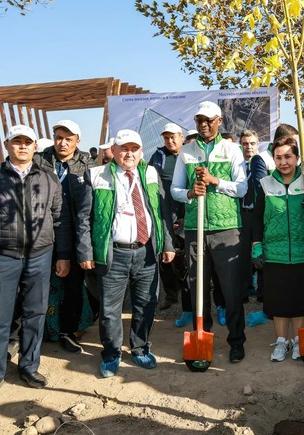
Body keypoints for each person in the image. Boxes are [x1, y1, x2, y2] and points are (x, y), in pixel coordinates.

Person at [0, 125, 71, 406]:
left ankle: (29, 366)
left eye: (27, 142)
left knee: (35, 313)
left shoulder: (48, 178)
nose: (22, 147)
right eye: (16, 142)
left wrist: (63, 255)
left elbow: (59, 220)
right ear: (7, 145)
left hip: (40, 255)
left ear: (34, 146)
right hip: (1, 256)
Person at [77, 129, 175, 377]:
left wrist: (168, 244)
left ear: (141, 152)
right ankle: (111, 353)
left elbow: (162, 212)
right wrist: (86, 251)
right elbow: (84, 219)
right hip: (114, 253)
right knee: (110, 309)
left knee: (146, 304)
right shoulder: (97, 175)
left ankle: (140, 348)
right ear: (115, 150)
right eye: (124, 148)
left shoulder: (151, 173)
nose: (129, 153)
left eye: (134, 149)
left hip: (147, 252)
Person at [170, 101, 248, 364]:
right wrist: (191, 193)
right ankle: (202, 334)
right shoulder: (187, 152)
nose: (203, 124)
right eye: (198, 120)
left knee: (231, 289)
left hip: (227, 229)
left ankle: (236, 341)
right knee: (197, 286)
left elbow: (242, 188)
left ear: (219, 121)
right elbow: (175, 190)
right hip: (195, 228)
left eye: (208, 120)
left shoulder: (232, 149)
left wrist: (216, 181)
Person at [253, 136, 304, 363]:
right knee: (280, 303)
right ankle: (282, 341)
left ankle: (300, 340)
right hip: (275, 253)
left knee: (300, 302)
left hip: (303, 253)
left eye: (288, 157)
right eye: (278, 157)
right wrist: (256, 246)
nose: (283, 162)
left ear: (297, 158)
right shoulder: (265, 184)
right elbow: (256, 219)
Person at [33, 119, 97, 353]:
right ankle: (35, 332)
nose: (63, 142)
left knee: (73, 285)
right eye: (59, 137)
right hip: (42, 234)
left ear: (77, 141)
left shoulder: (88, 164)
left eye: (68, 139)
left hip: (75, 233)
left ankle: (67, 332)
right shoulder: (38, 160)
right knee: (39, 286)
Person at [249, 124, 300, 302]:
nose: (283, 161)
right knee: (267, 262)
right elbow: (259, 186)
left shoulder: (295, 160)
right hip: (269, 214)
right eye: (294, 139)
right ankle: (266, 300)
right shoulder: (261, 159)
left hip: (292, 226)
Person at [148, 122, 187, 312]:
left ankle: (189, 297)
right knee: (164, 253)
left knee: (186, 256)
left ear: (181, 137)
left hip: (186, 212)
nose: (170, 141)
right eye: (166, 137)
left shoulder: (188, 155)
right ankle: (171, 295)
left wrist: (184, 216)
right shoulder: (158, 156)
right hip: (163, 211)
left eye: (173, 137)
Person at [238, 130, 259, 302]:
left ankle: (263, 293)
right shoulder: (236, 166)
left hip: (258, 214)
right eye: (245, 143)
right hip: (242, 215)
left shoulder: (264, 163)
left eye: (252, 143)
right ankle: (244, 290)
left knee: (260, 252)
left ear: (257, 144)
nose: (249, 147)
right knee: (243, 254)